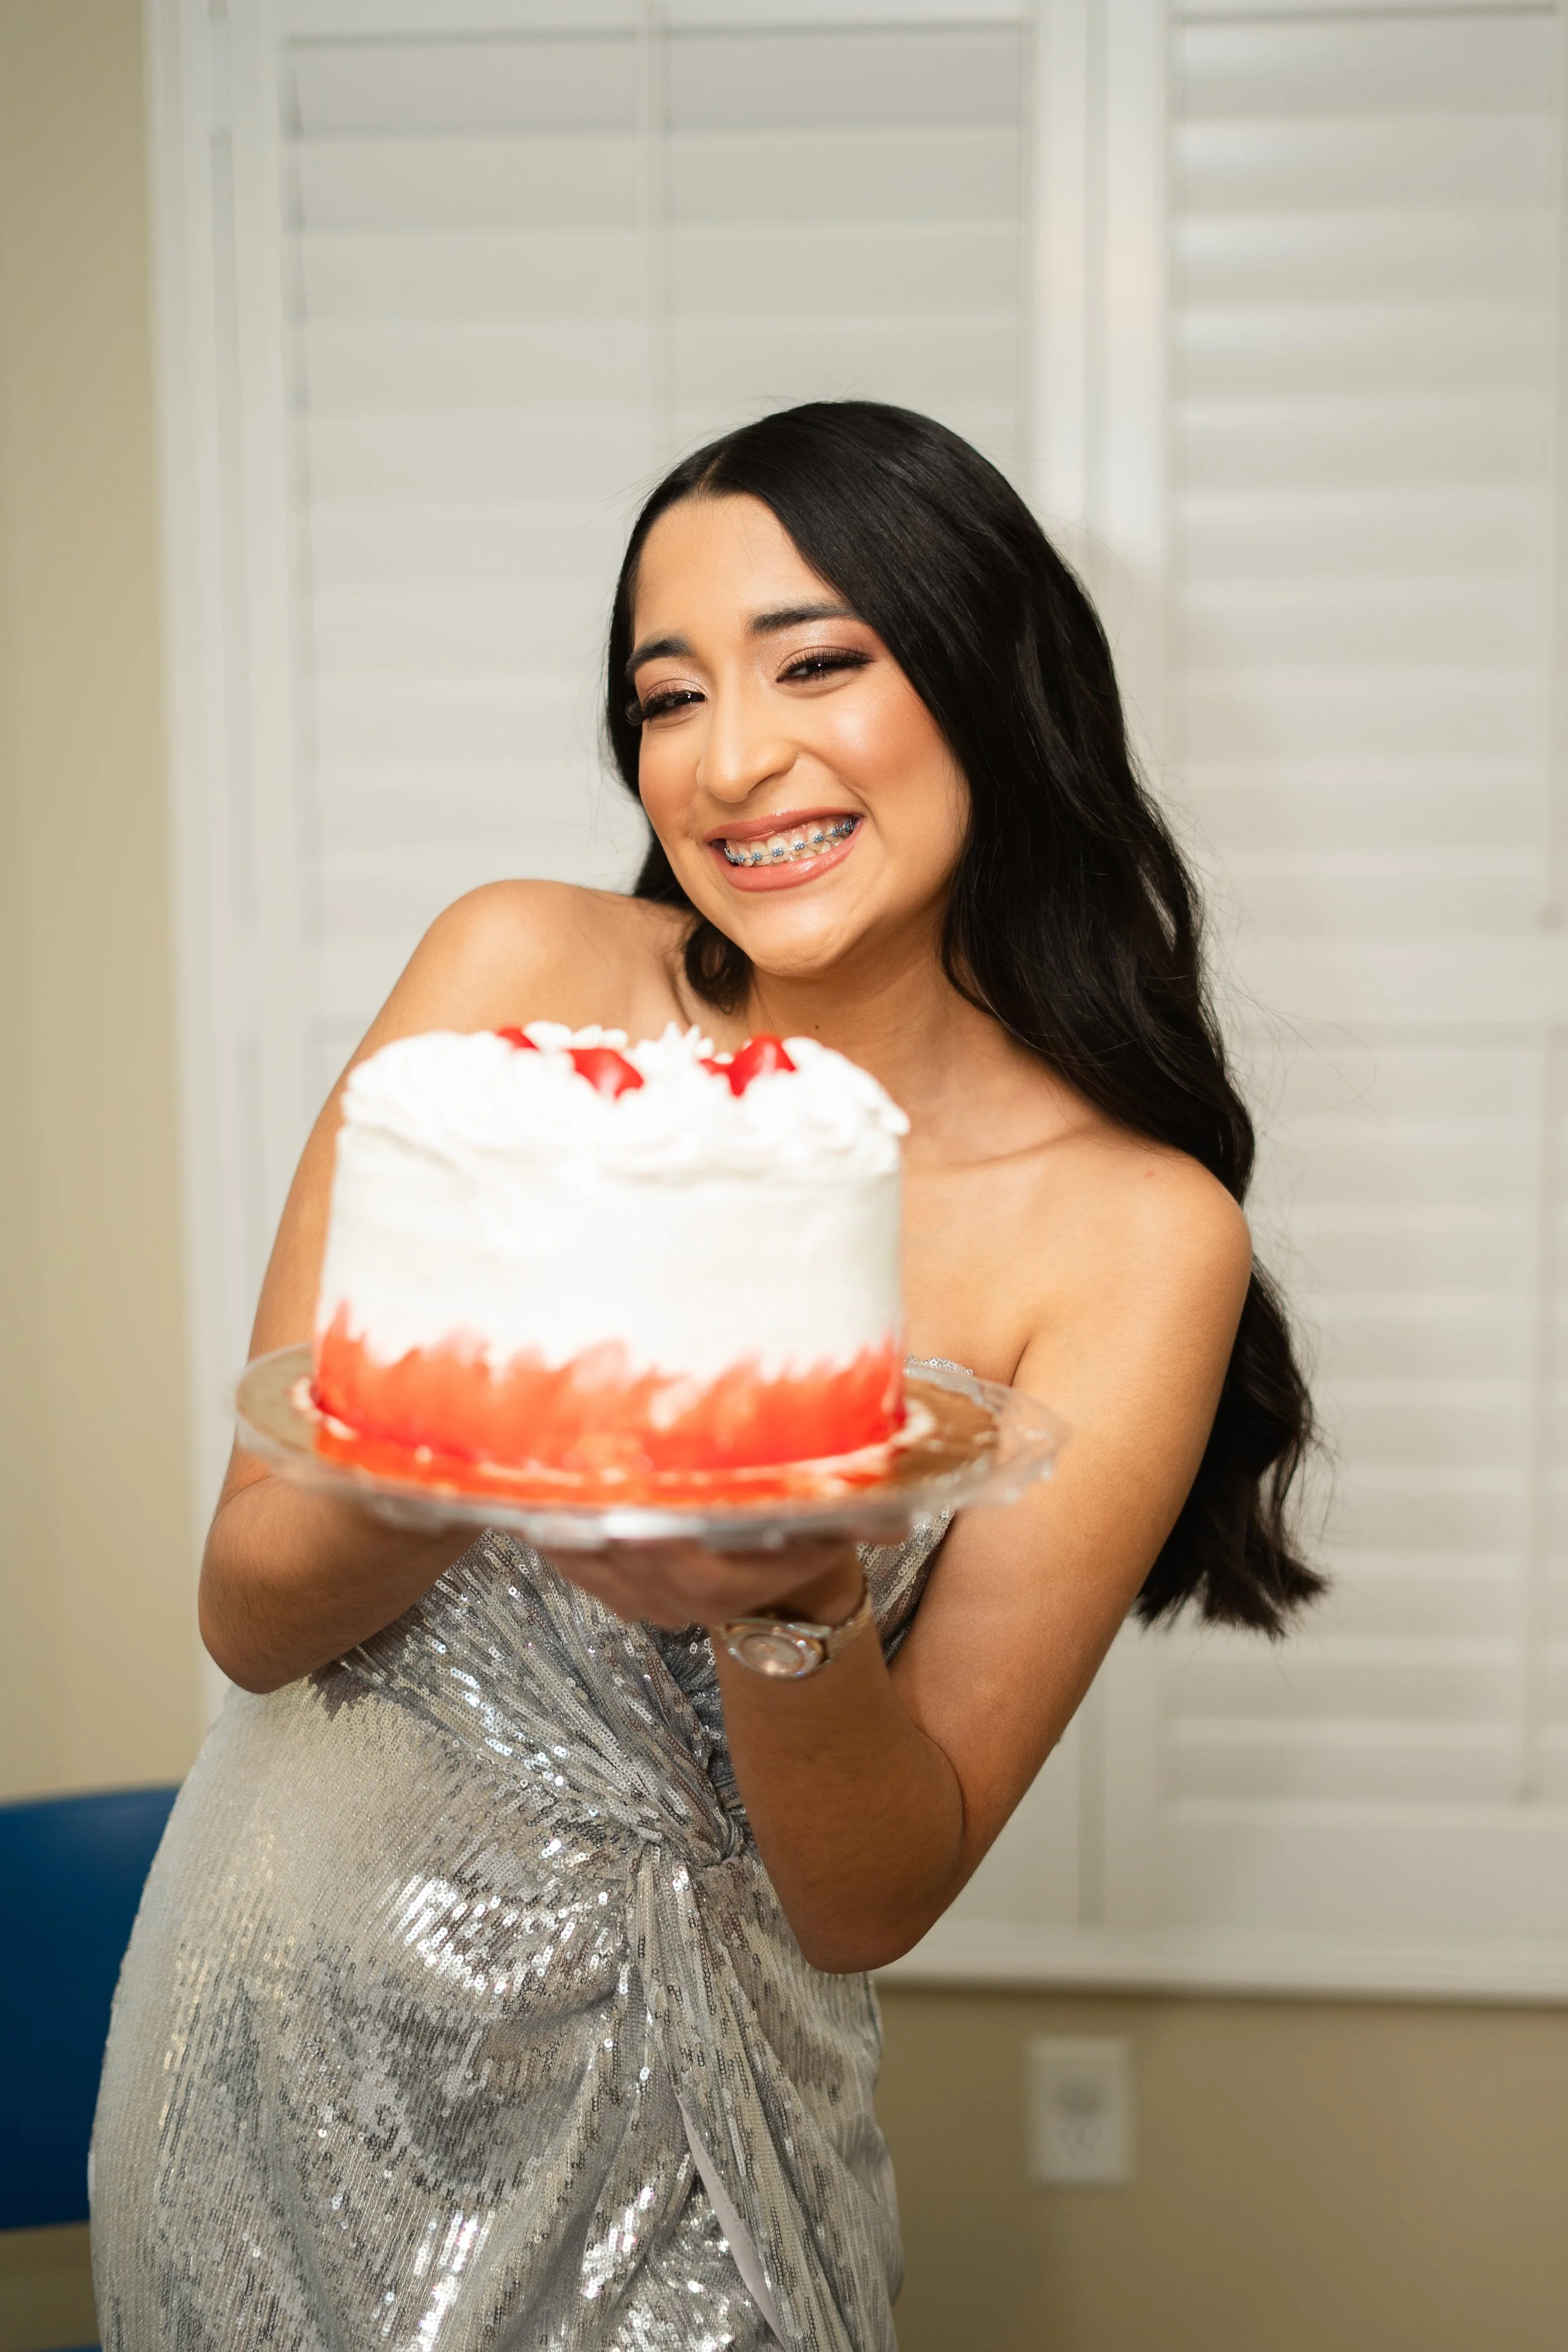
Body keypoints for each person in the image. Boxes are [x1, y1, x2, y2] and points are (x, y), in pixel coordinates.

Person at [91, 401, 1317, 2351]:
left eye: (819, 659)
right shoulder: (518, 978)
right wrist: (491, 1403)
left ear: (993, 679)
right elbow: (250, 1611)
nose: (733, 760)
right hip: (285, 2029)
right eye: (669, 697)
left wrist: (791, 1592)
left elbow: (869, 1893)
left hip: (697, 2117)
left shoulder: (1133, 1231)